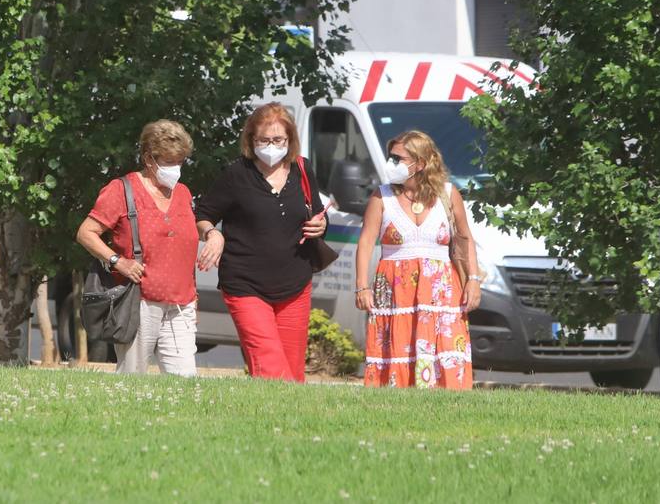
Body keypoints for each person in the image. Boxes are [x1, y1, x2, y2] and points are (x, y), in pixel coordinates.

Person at [194, 103, 328, 381]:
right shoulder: (236, 174)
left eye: (277, 140)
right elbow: (203, 215)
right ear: (251, 140)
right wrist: (212, 233)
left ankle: (283, 423)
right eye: (263, 140)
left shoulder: (303, 169)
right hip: (245, 284)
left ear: (289, 140)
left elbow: (316, 211)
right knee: (270, 365)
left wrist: (320, 224)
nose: (270, 146)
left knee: (292, 372)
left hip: (294, 283)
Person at [354, 129, 479, 389]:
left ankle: (449, 401)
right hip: (395, 289)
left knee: (444, 348)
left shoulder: (447, 193)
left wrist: (473, 280)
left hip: (440, 289)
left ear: (420, 164)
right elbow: (366, 241)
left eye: (398, 158)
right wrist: (362, 286)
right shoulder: (382, 196)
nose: (391, 163)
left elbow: (464, 238)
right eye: (392, 157)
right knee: (399, 347)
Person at [75, 119, 199, 376]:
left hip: (181, 304)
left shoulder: (184, 193)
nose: (175, 168)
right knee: (133, 379)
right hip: (138, 301)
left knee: (185, 382)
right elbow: (86, 233)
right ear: (148, 158)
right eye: (168, 162)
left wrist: (193, 295)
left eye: (179, 162)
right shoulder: (122, 190)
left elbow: (183, 248)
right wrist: (117, 261)